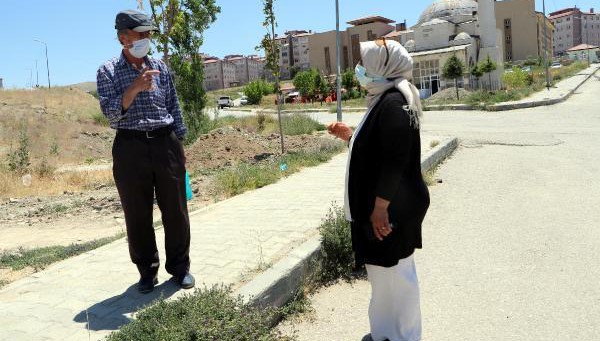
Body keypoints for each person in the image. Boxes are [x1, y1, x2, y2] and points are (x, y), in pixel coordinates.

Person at [328, 38, 430, 341]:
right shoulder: (386, 100)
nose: (359, 69)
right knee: (385, 277)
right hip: (387, 209)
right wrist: (351, 138)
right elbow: (377, 151)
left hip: (389, 212)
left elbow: (394, 161)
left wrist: (380, 208)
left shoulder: (393, 105)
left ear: (383, 67)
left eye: (365, 64)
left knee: (397, 278)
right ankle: (386, 333)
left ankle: (405, 337)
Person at [96, 9, 194, 293]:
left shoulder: (161, 67)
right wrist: (135, 88)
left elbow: (173, 105)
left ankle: (179, 268)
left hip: (166, 143)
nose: (146, 39)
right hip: (130, 147)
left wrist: (180, 143)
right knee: (137, 214)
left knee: (176, 210)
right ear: (123, 38)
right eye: (141, 34)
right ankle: (147, 272)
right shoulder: (107, 71)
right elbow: (112, 116)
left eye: (149, 34)